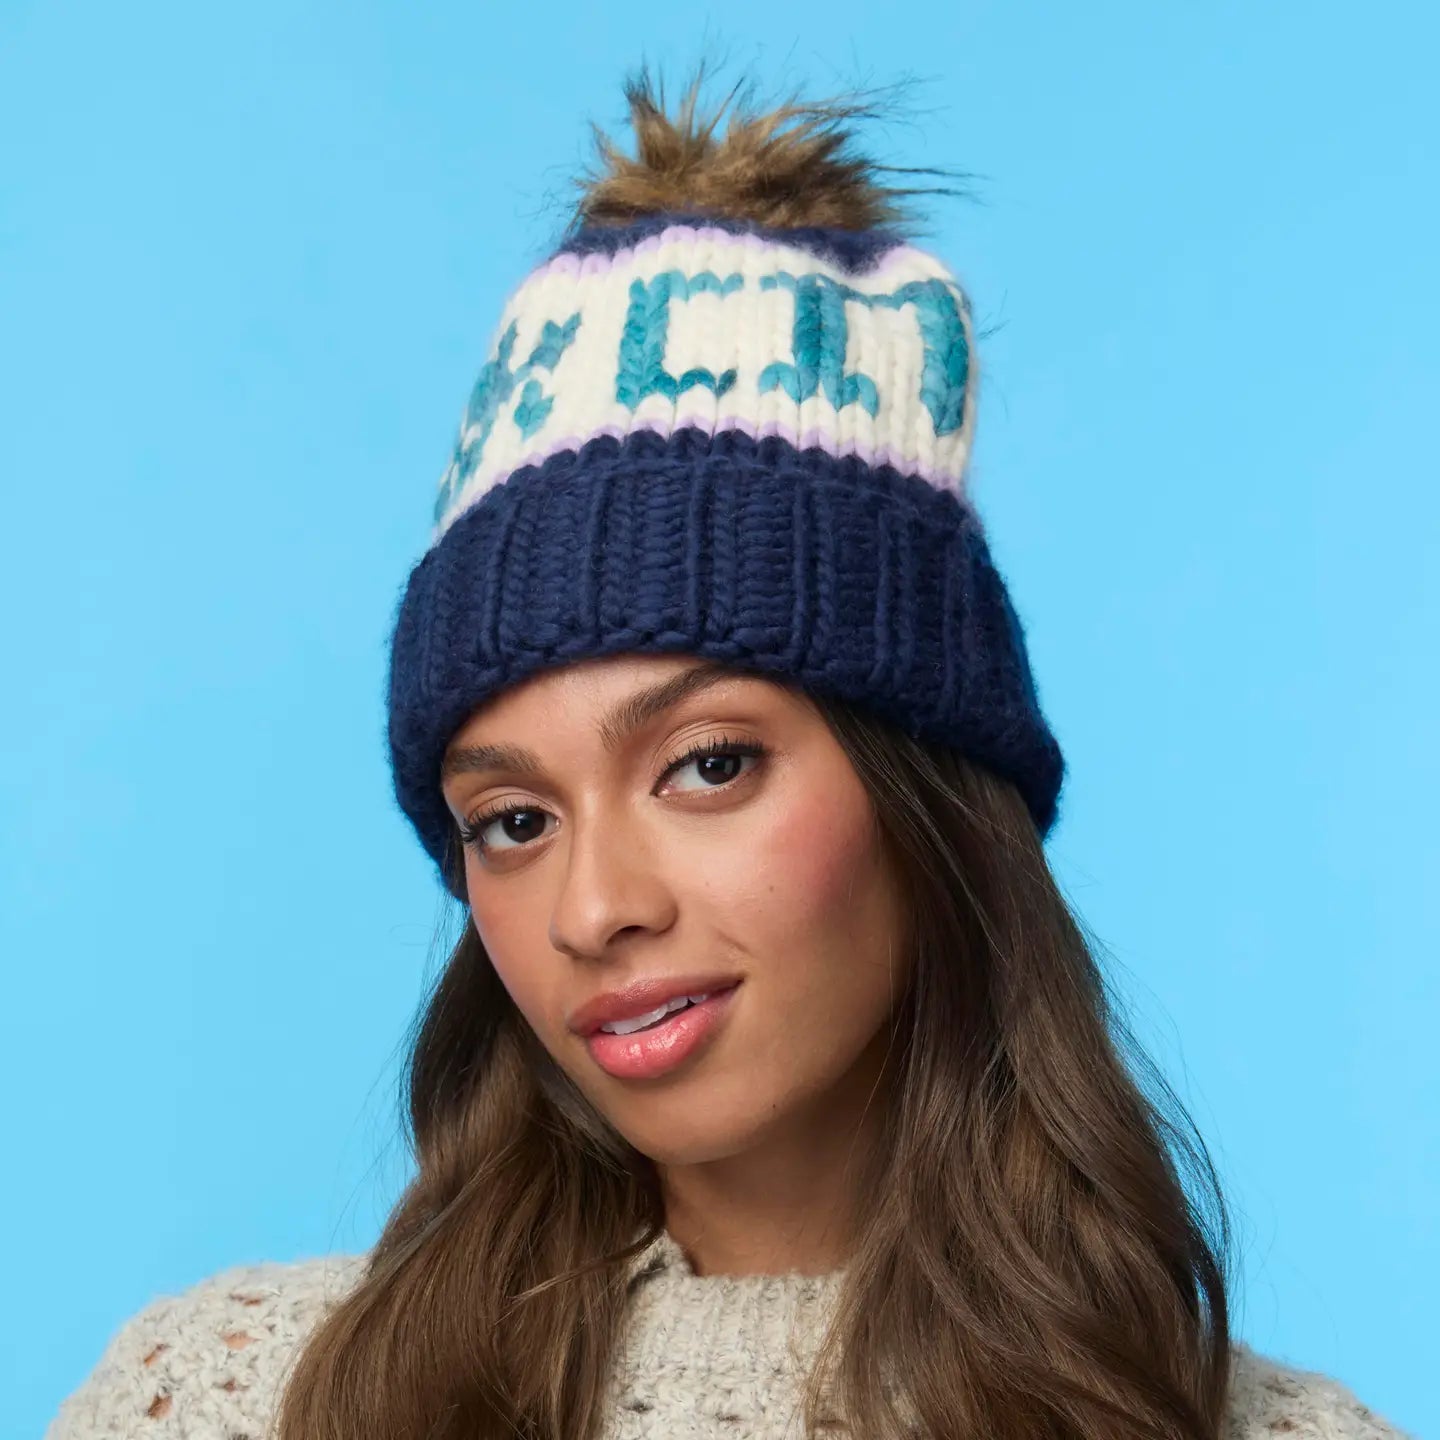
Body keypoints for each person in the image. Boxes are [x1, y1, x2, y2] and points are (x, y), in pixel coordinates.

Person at [46, 64, 1411, 1440]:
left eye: (706, 764)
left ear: (925, 791)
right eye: (513, 821)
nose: (594, 910)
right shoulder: (226, 1398)